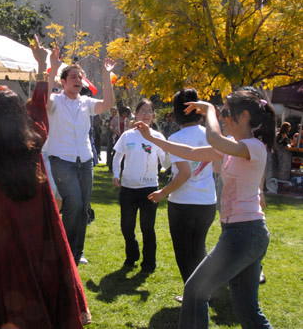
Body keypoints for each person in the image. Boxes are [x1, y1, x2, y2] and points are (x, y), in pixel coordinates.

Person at [0, 36, 90, 328]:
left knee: (14, 290)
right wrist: (41, 66)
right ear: (19, 118)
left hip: (3, 240)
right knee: (45, 278)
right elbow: (37, 108)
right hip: (41, 233)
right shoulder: (33, 142)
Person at [136, 90, 275, 329]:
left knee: (195, 290)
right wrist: (152, 138)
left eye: (226, 113)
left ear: (243, 116)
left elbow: (213, 138)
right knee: (247, 310)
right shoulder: (233, 146)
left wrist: (209, 109)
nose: (222, 118)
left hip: (245, 233)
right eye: (220, 113)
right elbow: (189, 153)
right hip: (242, 234)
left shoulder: (254, 146)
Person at [47, 45, 116, 265]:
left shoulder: (86, 103)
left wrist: (106, 76)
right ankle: (65, 250)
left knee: (84, 207)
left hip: (85, 160)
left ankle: (77, 252)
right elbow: (42, 100)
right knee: (74, 203)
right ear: (63, 81)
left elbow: (108, 104)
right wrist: (53, 68)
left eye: (80, 77)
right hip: (62, 160)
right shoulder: (55, 101)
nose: (78, 80)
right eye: (73, 76)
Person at [149, 89, 217, 300]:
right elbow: (216, 168)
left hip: (183, 203)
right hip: (207, 201)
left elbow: (184, 174)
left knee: (184, 252)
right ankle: (205, 292)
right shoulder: (211, 134)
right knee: (199, 248)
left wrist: (162, 192)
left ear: (178, 111)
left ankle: (195, 295)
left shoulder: (177, 137)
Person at [112, 99, 168, 272]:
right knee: (127, 226)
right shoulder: (127, 135)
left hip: (150, 188)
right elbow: (117, 157)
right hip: (128, 188)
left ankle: (149, 263)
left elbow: (166, 159)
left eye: (149, 111)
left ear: (153, 115)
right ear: (135, 114)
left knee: (147, 227)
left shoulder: (157, 137)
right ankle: (132, 255)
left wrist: (167, 167)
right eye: (142, 111)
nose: (146, 114)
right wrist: (116, 175)